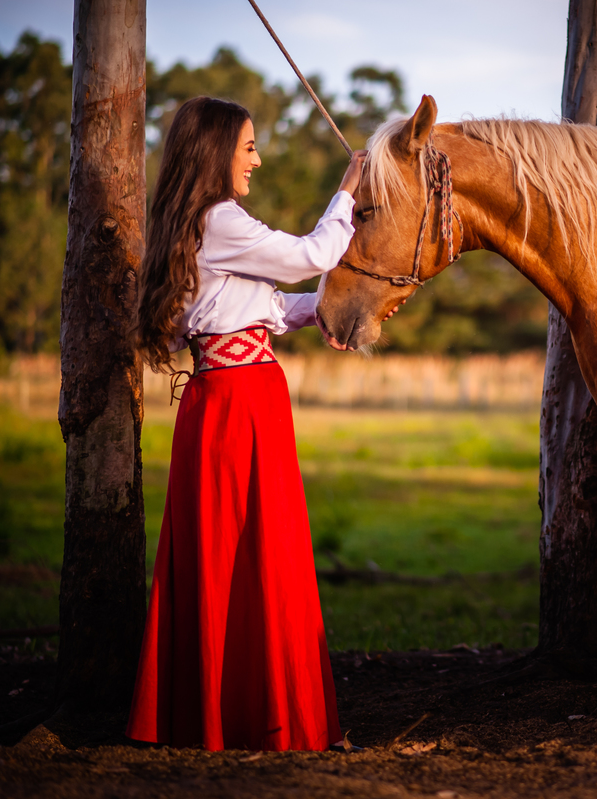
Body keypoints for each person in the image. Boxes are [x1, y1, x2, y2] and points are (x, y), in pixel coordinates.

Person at [128, 96, 366, 752]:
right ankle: (260, 718)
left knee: (245, 558)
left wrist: (334, 306)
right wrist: (349, 190)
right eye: (249, 146)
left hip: (231, 397)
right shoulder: (221, 218)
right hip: (239, 405)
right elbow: (306, 256)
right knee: (255, 557)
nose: (257, 159)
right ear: (216, 153)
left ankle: (230, 713)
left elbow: (256, 307)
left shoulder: (201, 224)